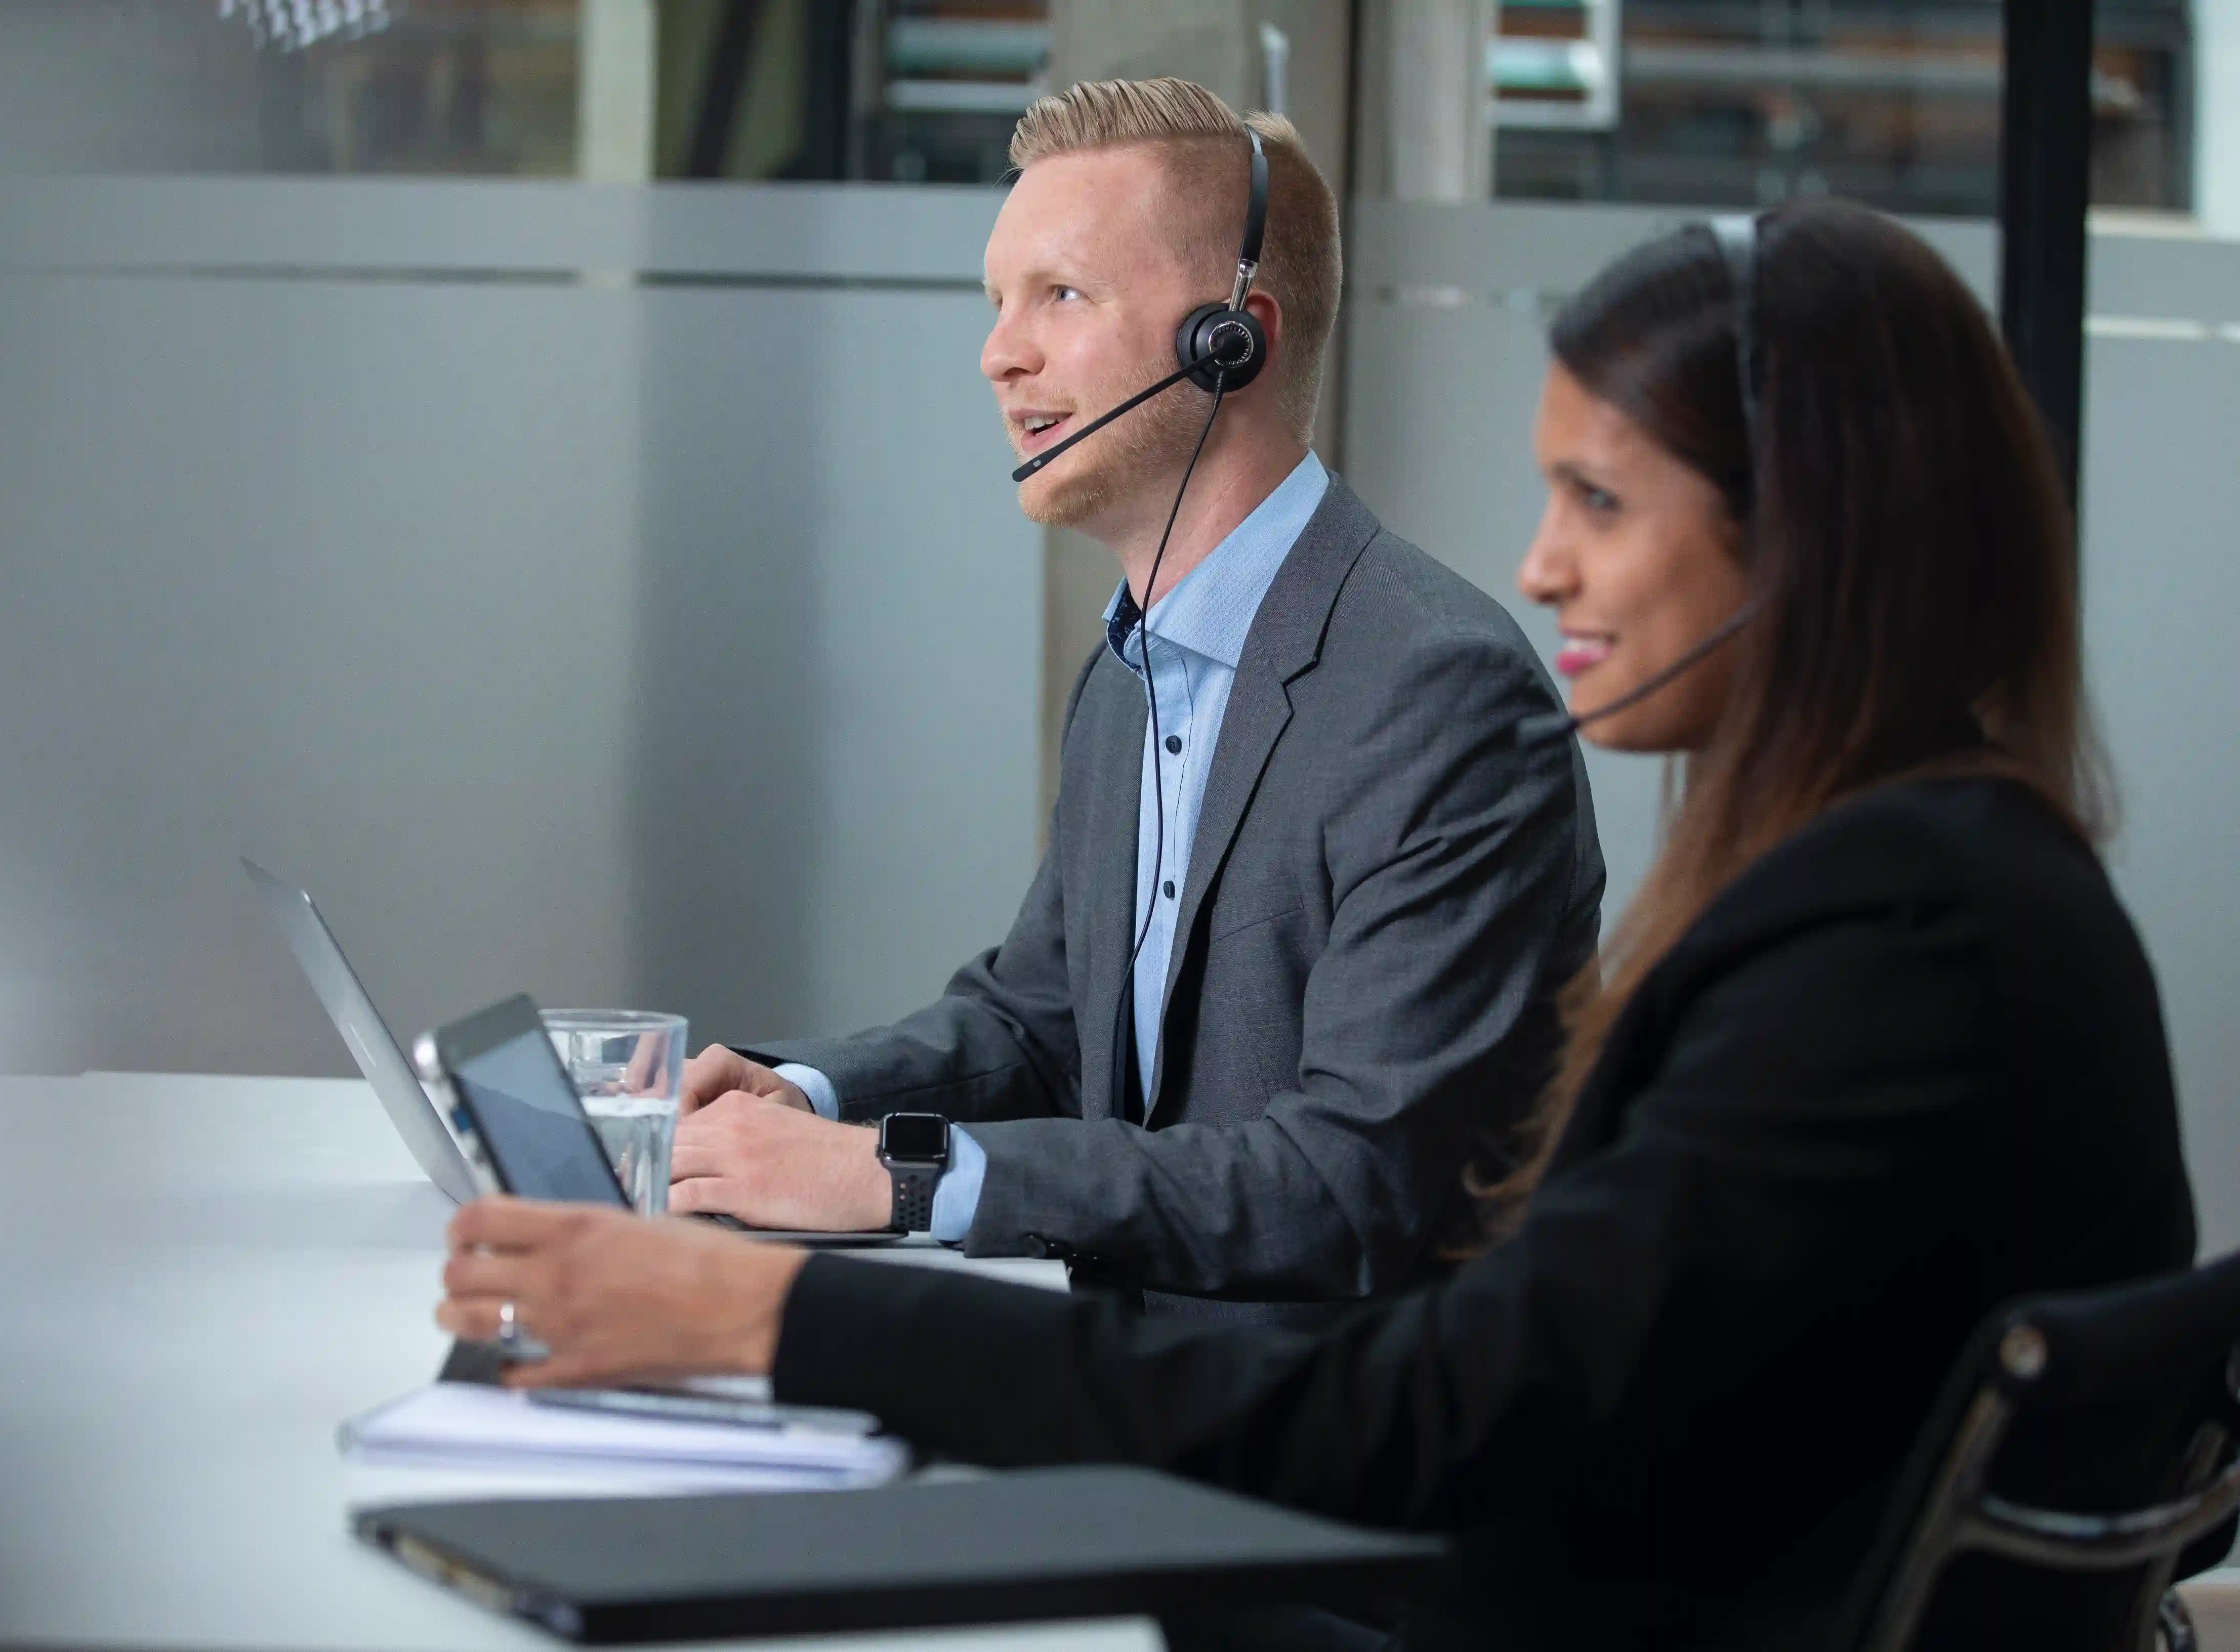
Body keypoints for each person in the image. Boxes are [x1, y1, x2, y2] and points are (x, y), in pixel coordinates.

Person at [437, 197, 2201, 1646]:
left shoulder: (1892, 952)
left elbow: (1441, 1404)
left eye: (1597, 498)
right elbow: (1047, 1015)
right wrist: (818, 1134)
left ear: (1806, 542)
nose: (1537, 564)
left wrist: (777, 1325)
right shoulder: (1923, 886)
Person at [661, 78, 1602, 1317]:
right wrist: (807, 1100)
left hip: (1323, 1441)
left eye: (1061, 295)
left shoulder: (1439, 700)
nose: (1001, 353)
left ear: (1233, 338)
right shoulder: (1133, 671)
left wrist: (893, 1177)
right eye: (998, 303)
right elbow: (1039, 1023)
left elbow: (1346, 1187)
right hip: (1136, 1376)